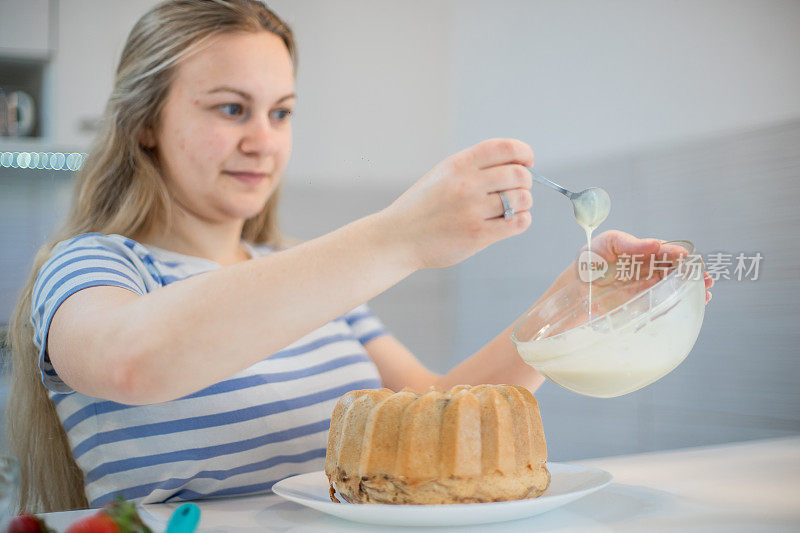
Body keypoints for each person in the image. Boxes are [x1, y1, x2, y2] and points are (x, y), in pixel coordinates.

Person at [7, 0, 713, 514]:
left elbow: (430, 423)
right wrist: (398, 234)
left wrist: (570, 310)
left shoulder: (309, 279)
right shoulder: (91, 265)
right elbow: (135, 360)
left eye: (281, 112)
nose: (264, 140)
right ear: (146, 124)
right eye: (230, 109)